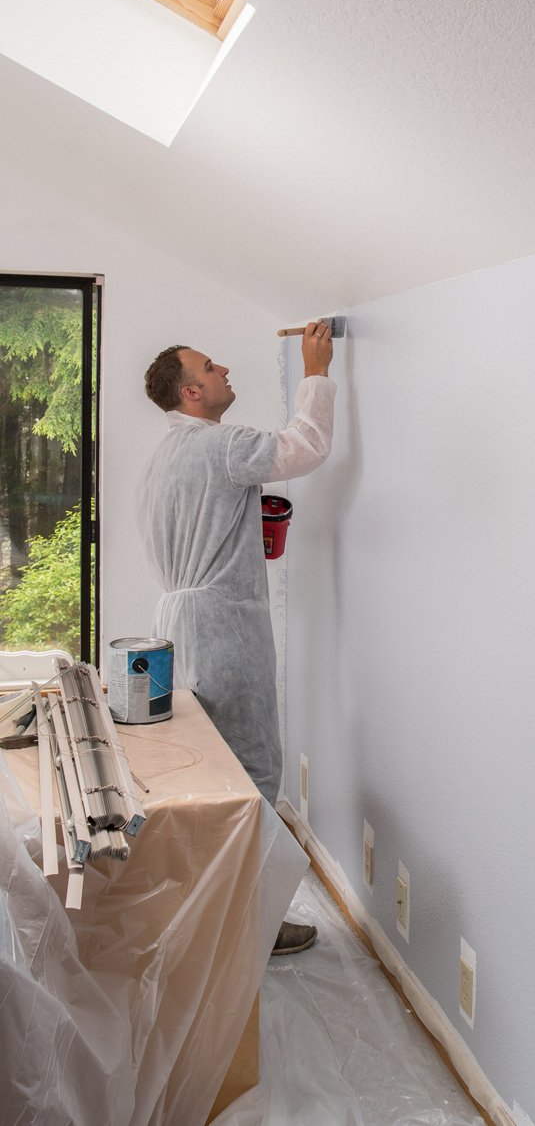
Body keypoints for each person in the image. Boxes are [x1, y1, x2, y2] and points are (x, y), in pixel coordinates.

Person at [137, 321, 336, 955]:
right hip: (224, 633)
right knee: (249, 773)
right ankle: (249, 929)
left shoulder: (164, 457)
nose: (223, 370)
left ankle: (213, 918)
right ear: (190, 394)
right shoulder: (220, 446)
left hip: (179, 627)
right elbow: (304, 447)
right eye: (210, 367)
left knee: (204, 774)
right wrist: (316, 371)